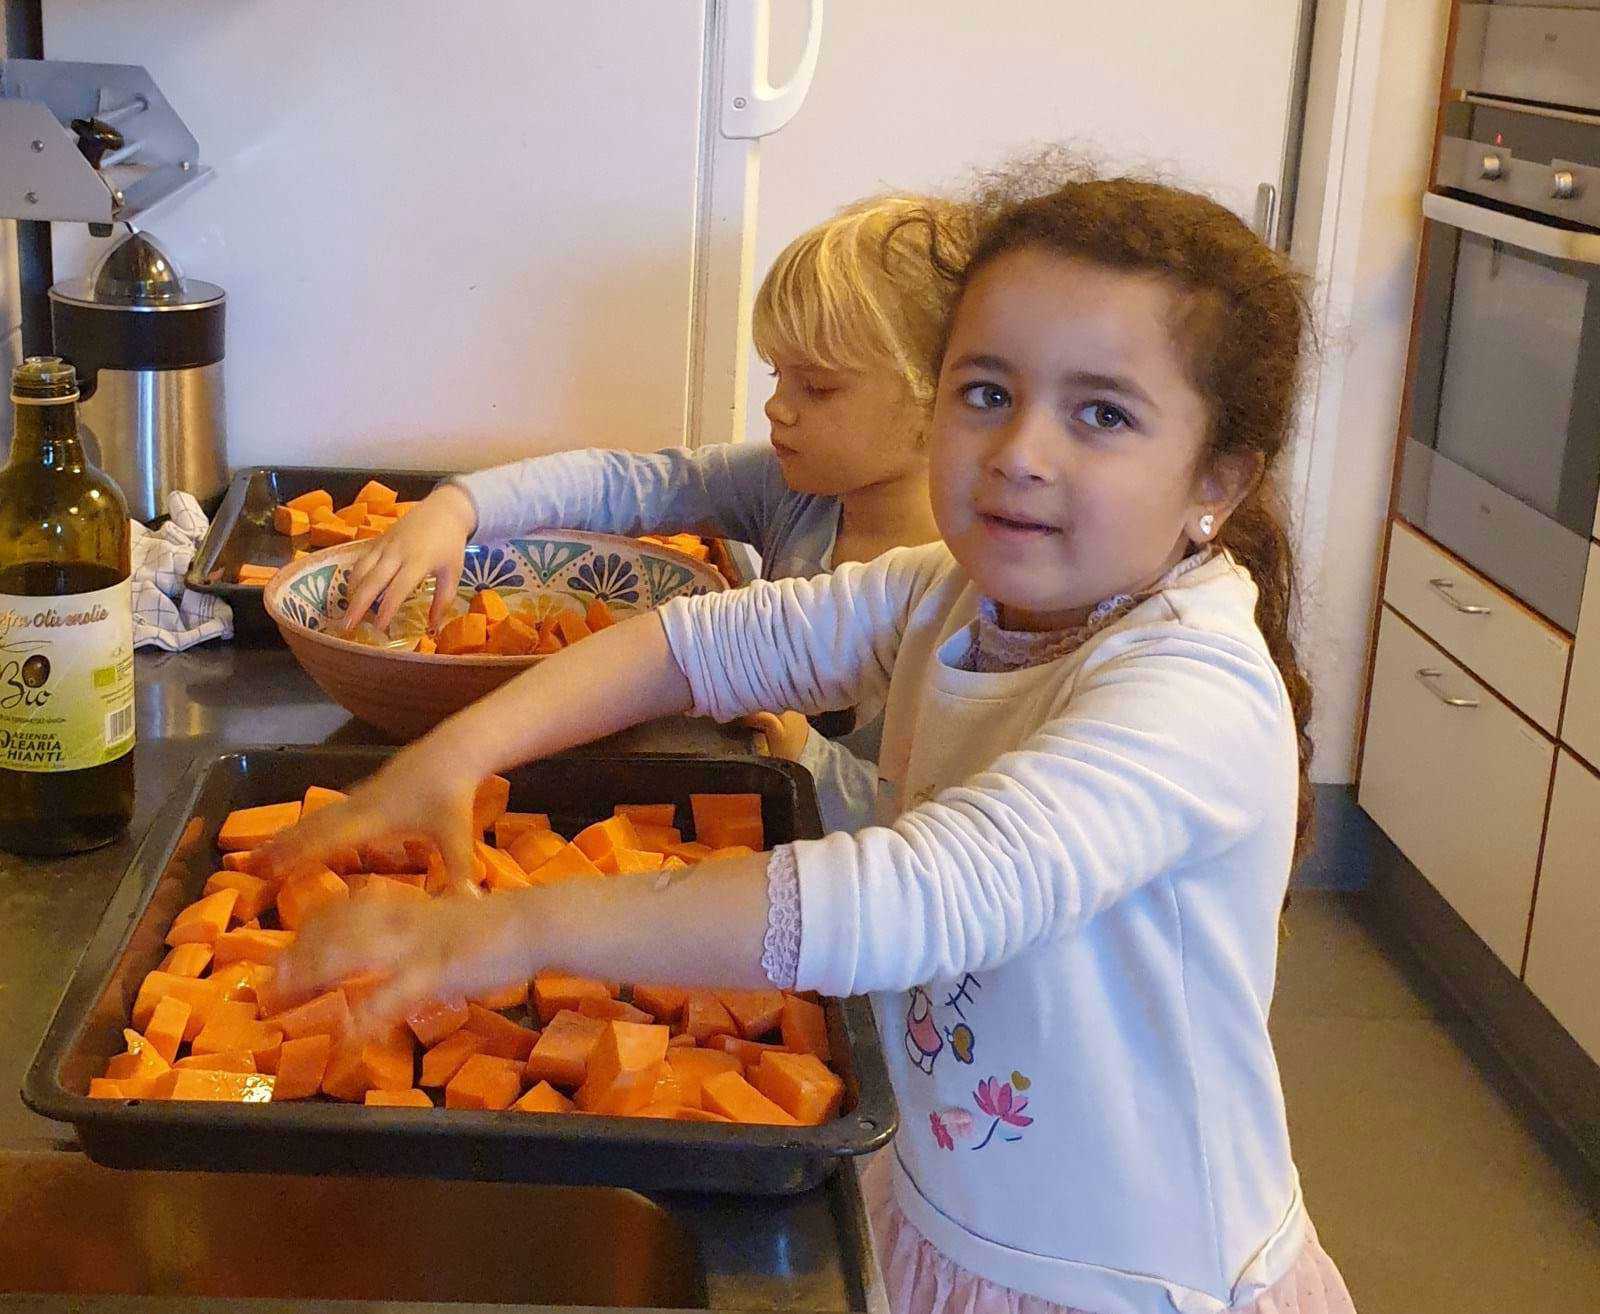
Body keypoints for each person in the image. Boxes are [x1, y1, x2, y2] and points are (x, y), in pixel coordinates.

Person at [264, 162, 1356, 1314]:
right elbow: (699, 645)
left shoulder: (1191, 690)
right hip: (947, 1213)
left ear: (1217, 483)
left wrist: (512, 928)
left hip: (1140, 1278)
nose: (1022, 450)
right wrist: (457, 750)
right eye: (986, 391)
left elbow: (917, 895)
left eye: (1101, 414)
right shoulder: (950, 591)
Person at [339, 194, 970, 831]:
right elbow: (634, 484)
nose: (777, 407)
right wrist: (459, 507)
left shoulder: (973, 602)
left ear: (937, 399)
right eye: (778, 376)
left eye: (818, 386)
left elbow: (928, 830)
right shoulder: (790, 488)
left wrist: (808, 760)